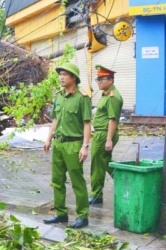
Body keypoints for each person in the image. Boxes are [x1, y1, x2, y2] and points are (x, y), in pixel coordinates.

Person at [43, 62, 92, 229]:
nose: (61, 77)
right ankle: (61, 213)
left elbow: (87, 123)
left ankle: (82, 216)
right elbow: (55, 120)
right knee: (57, 180)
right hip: (59, 144)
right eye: (60, 74)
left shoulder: (82, 97)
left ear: (74, 78)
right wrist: (48, 138)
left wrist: (85, 146)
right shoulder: (59, 96)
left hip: (74, 144)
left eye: (65, 74)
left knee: (77, 181)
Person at [89, 65, 123, 205]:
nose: (98, 82)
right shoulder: (106, 94)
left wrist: (108, 139)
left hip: (104, 135)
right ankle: (124, 178)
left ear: (110, 80)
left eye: (101, 79)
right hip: (101, 134)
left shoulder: (113, 97)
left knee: (97, 164)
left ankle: (96, 195)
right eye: (97, 79)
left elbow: (113, 119)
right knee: (105, 162)